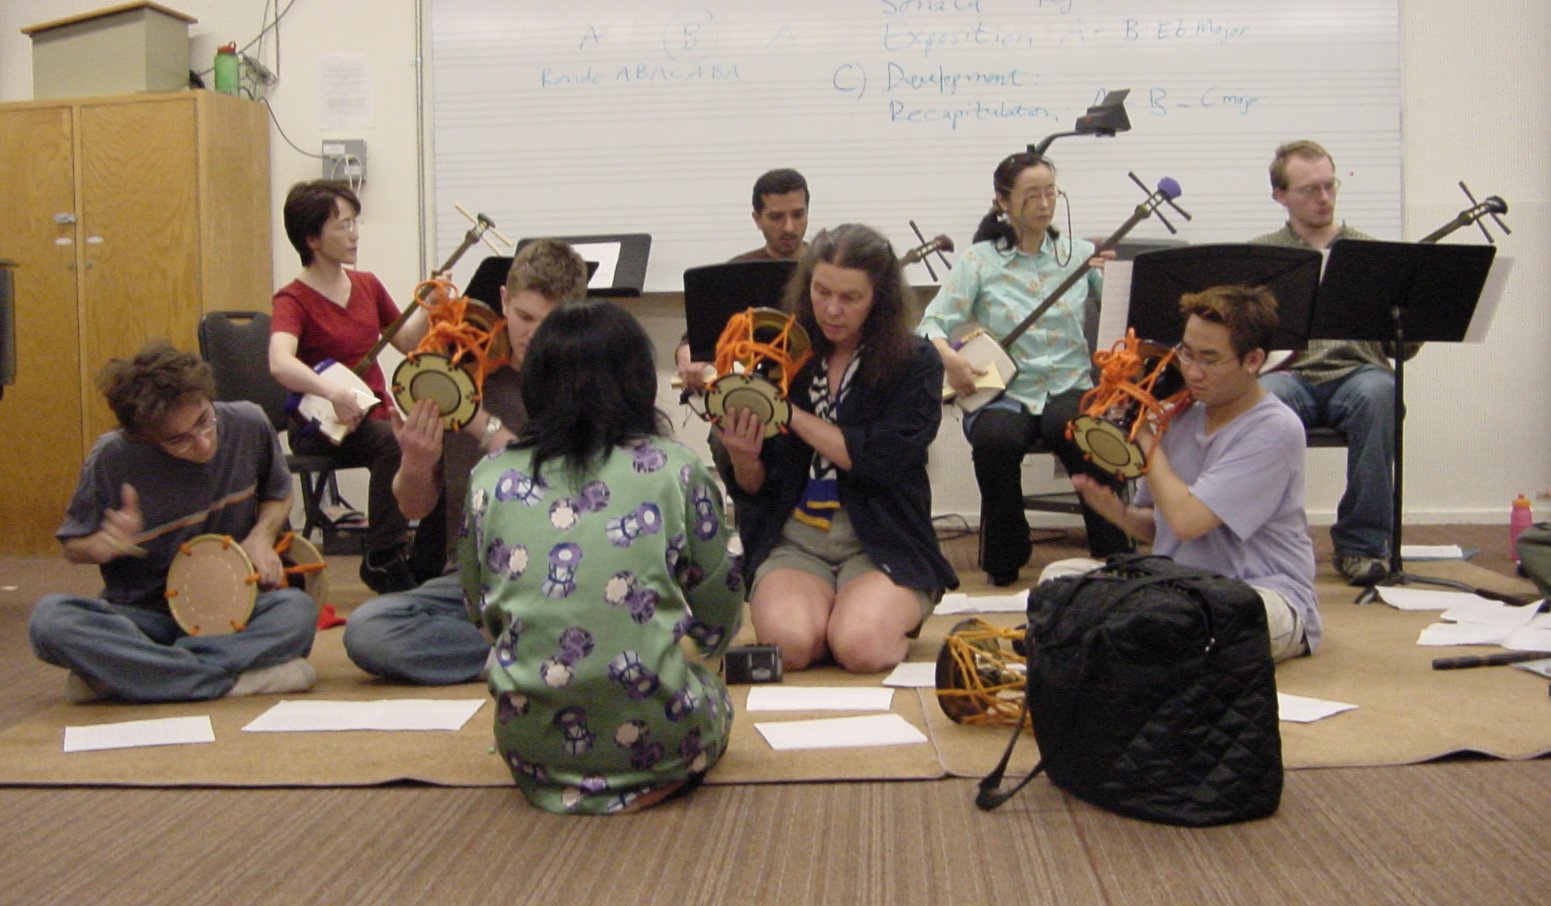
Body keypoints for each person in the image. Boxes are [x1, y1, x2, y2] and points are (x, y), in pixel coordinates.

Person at [460, 298, 741, 815]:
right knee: (714, 693)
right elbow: (719, 614)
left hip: (529, 742)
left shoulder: (491, 476)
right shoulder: (675, 468)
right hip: (662, 731)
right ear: (639, 382)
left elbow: (481, 611)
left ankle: (572, 781)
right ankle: (645, 779)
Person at [343, 239, 590, 685]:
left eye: (549, 322)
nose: (533, 334)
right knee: (367, 630)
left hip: (562, 575)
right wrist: (416, 463)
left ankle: (524, 645)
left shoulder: (590, 385)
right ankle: (526, 653)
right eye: (524, 317)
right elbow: (414, 508)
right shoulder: (463, 371)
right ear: (503, 302)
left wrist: (479, 421)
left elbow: (553, 492)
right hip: (475, 582)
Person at [721, 223, 958, 673]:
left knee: (862, 649)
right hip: (795, 539)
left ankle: (861, 614)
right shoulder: (781, 354)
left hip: (880, 539)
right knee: (788, 647)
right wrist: (742, 457)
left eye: (850, 298)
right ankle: (831, 612)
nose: (832, 310)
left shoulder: (915, 361)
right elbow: (755, 487)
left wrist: (791, 414)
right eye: (821, 292)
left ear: (879, 299)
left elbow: (881, 459)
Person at [28, 342, 319, 702]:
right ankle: (232, 681)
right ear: (143, 437)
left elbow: (278, 492)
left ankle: (133, 676)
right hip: (145, 617)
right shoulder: (113, 457)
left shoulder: (248, 423)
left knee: (297, 612)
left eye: (203, 421)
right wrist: (100, 546)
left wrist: (261, 535)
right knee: (50, 621)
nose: (202, 443)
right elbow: (74, 545)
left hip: (231, 609)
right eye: (178, 439)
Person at [1045, 285, 1319, 662]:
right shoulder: (1178, 415)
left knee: (1185, 621)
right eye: (1186, 353)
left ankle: (1106, 644)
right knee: (1058, 579)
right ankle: (1120, 643)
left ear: (1253, 360)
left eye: (1209, 359)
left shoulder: (1274, 428)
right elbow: (1163, 526)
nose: (1191, 371)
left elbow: (1188, 521)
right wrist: (1119, 514)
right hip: (1173, 587)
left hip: (1260, 594)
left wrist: (1145, 433)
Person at [918, 151, 1132, 588]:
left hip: (1068, 383)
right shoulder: (980, 260)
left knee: (1077, 429)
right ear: (1002, 201)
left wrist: (1116, 278)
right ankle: (1005, 558)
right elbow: (931, 323)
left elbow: (1121, 314)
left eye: (1051, 192)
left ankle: (1114, 551)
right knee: (996, 441)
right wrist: (951, 359)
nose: (1044, 203)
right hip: (1005, 390)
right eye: (1031, 194)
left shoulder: (1078, 255)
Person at [1252, 140, 1413, 586]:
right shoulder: (1262, 255)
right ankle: (1266, 540)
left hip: (1356, 373)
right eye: (1309, 190)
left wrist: (1408, 320)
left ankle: (1363, 546)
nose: (1323, 198)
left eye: (1329, 186)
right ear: (1280, 196)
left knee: (1380, 392)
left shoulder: (1369, 251)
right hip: (1289, 376)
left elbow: (1404, 349)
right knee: (1260, 401)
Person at [269, 180, 436, 595]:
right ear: (311, 238)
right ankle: (382, 556)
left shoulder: (367, 285)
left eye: (354, 223)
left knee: (430, 440)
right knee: (393, 443)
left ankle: (429, 556)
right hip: (322, 428)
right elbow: (279, 362)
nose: (354, 234)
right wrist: (334, 394)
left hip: (370, 417)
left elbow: (407, 342)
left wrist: (431, 307)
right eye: (342, 226)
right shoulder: (292, 299)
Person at [675, 168, 810, 393]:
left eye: (798, 214)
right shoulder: (733, 272)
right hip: (752, 392)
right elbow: (697, 340)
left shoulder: (828, 269)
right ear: (757, 219)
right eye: (776, 217)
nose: (789, 227)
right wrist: (686, 354)